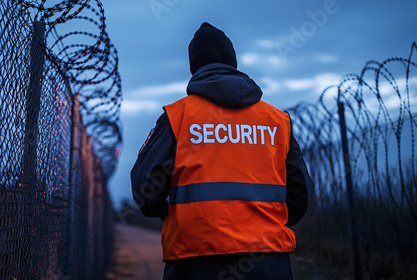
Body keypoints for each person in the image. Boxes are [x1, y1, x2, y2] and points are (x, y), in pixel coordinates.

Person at [131, 22, 313, 280]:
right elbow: (299, 196)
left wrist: (179, 217)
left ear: (194, 67)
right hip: (267, 262)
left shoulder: (179, 117)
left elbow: (144, 190)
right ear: (233, 62)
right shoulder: (276, 121)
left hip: (195, 262)